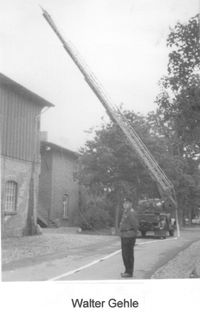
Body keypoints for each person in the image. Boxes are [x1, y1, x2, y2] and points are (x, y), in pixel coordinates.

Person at [119, 198, 139, 278]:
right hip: (124, 236)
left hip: (129, 236)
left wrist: (134, 234)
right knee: (125, 254)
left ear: (130, 204)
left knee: (128, 255)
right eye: (124, 203)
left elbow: (135, 225)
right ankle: (127, 271)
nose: (124, 205)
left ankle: (129, 272)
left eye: (126, 203)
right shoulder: (126, 212)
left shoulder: (131, 213)